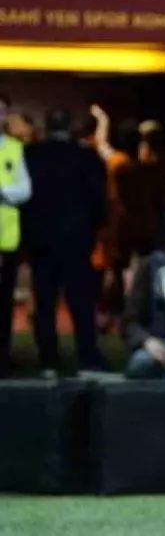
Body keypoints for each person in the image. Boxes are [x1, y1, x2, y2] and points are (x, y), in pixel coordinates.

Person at [24, 108, 107, 376]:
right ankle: (87, 356)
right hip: (77, 239)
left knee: (45, 302)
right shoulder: (86, 156)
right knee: (81, 302)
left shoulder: (31, 154)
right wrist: (94, 229)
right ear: (70, 126)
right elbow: (99, 199)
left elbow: (25, 197)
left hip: (41, 239)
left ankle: (48, 359)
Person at [0, 92, 31, 377]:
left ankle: (2, 358)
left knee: (3, 303)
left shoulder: (14, 148)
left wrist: (3, 193)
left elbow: (25, 190)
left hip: (5, 240)